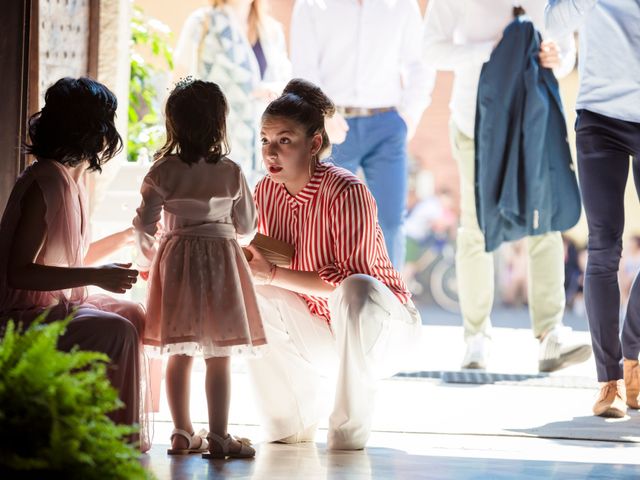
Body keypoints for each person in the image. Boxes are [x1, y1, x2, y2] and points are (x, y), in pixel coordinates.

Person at [246, 78, 422, 451]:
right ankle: (290, 422)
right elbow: (273, 262)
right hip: (324, 333)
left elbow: (345, 281)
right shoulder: (265, 191)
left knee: (357, 287)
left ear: (313, 144)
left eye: (284, 140)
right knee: (257, 291)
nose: (271, 152)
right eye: (265, 140)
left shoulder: (347, 190)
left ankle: (347, 431)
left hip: (383, 332)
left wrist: (273, 273)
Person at [423, 0, 591, 371]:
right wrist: (492, 50)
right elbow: (431, 49)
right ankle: (476, 336)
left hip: (533, 119)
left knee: (543, 220)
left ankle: (550, 334)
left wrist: (555, 57)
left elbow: (565, 52)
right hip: (474, 122)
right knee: (476, 226)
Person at [0, 77, 149, 450]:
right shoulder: (43, 181)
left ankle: (100, 428)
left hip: (53, 305)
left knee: (134, 314)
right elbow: (19, 272)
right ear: (93, 129)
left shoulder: (72, 180)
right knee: (117, 330)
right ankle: (109, 444)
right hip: (20, 316)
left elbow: (67, 260)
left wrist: (127, 238)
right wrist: (96, 277)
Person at [133, 79, 265, 459]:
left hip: (176, 264)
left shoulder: (162, 171)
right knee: (218, 355)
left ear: (173, 124)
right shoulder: (231, 171)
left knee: (180, 351)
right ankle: (220, 436)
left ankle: (180, 432)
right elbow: (246, 228)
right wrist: (223, 235)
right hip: (222, 263)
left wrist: (147, 260)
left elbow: (144, 225)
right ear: (219, 124)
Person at [545, 0, 640, 418]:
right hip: (600, 119)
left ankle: (633, 350)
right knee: (603, 246)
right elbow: (553, 22)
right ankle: (611, 381)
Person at [289, 0, 434, 269]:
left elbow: (420, 64)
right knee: (323, 218)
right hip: (331, 125)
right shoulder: (312, 5)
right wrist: (323, 115)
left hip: (387, 125)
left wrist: (408, 118)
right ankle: (322, 305)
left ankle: (389, 305)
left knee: (390, 221)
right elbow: (304, 71)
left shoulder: (401, 5)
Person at [174, 0, 291, 187]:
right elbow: (179, 85)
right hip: (215, 149)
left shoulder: (272, 31)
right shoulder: (203, 23)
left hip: (265, 154)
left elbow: (286, 83)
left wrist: (274, 89)